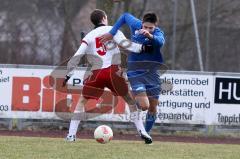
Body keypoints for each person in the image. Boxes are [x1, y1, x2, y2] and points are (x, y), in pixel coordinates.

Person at [64, 9, 153, 144]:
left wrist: (68, 74)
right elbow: (125, 44)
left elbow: (77, 56)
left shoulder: (88, 37)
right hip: (113, 71)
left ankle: (71, 135)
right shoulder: (112, 29)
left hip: (97, 73)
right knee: (129, 100)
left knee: (82, 101)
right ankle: (142, 131)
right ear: (104, 18)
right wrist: (143, 48)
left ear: (93, 22)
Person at [99, 12, 165, 141]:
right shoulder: (136, 24)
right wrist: (112, 32)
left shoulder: (158, 34)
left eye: (150, 28)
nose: (146, 30)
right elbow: (124, 16)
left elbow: (160, 42)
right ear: (142, 23)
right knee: (144, 106)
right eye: (145, 27)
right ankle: (134, 99)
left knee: (152, 107)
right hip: (135, 72)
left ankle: (145, 133)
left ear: (155, 27)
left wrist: (150, 36)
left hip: (152, 74)